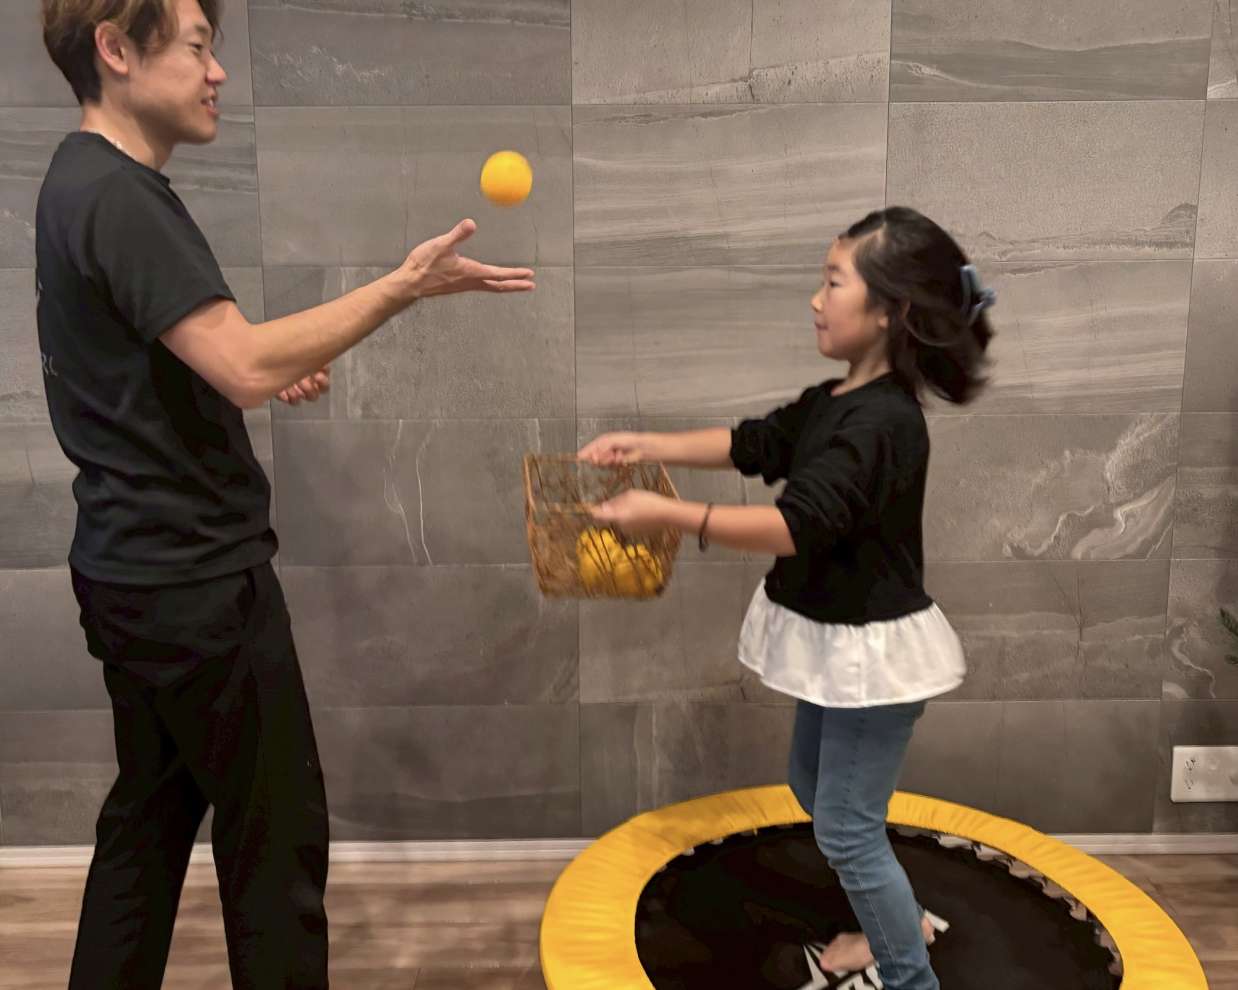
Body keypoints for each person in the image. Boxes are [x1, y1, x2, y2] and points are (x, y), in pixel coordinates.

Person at [36, 1, 535, 986]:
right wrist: (398, 288)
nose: (217, 71)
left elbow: (171, 363)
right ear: (116, 49)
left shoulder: (75, 179)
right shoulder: (122, 197)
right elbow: (245, 362)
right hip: (194, 586)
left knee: (150, 819)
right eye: (196, 47)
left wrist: (241, 368)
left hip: (131, 574)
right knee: (276, 844)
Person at [578, 206, 994, 990]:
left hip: (874, 659)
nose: (815, 299)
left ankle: (910, 976)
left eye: (833, 282)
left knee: (846, 828)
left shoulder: (885, 423)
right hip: (837, 642)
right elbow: (753, 443)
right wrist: (648, 445)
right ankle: (900, 923)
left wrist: (668, 514)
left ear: (888, 309)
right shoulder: (836, 399)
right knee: (815, 793)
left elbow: (796, 525)